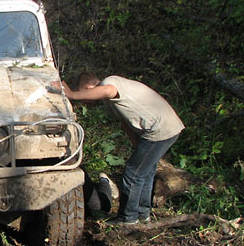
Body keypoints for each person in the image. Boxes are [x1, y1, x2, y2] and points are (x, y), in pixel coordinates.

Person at [54, 73, 184, 225]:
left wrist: (72, 95)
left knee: (133, 173)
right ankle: (143, 214)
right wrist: (137, 145)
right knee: (145, 173)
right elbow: (125, 123)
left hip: (160, 129)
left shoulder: (109, 83)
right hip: (165, 128)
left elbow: (108, 90)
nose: (84, 102)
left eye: (84, 97)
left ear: (89, 88)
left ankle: (128, 218)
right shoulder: (112, 103)